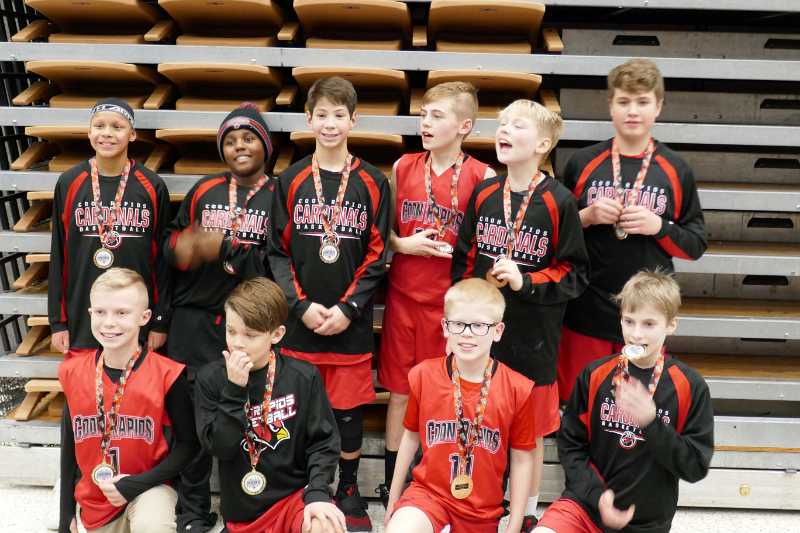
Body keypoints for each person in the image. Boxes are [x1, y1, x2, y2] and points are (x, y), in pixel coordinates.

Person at [452, 99, 589, 530]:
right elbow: (464, 258)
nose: (504, 130)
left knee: (530, 434)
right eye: (502, 123)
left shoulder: (559, 201)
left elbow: (574, 273)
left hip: (534, 338)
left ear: (544, 144)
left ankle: (525, 511)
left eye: (517, 125)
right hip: (483, 336)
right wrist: (464, 308)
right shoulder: (484, 193)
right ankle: (482, 501)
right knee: (481, 419)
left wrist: (525, 282)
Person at [269, 76, 390, 532]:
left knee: (347, 411)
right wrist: (299, 306)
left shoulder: (373, 181)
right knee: (297, 409)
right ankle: (303, 486)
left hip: (348, 323)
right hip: (301, 322)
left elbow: (379, 254)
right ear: (308, 119)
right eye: (322, 114)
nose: (330, 123)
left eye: (340, 115)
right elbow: (277, 252)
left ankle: (348, 489)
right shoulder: (290, 179)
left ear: (354, 120)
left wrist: (349, 308)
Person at [557, 58, 707, 402]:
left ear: (659, 106)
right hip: (586, 308)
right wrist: (586, 216)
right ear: (610, 105)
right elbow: (554, 234)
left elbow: (696, 245)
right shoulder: (582, 163)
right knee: (583, 402)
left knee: (635, 407)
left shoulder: (676, 169)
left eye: (642, 102)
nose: (633, 111)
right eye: (624, 101)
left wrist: (659, 226)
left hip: (647, 316)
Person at [377, 81, 495, 502]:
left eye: (437, 116)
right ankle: (393, 482)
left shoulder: (483, 176)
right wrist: (403, 244)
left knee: (447, 394)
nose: (425, 122)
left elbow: (485, 245)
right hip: (403, 299)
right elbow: (383, 234)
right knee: (399, 392)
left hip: (451, 308)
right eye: (423, 115)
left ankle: (437, 478)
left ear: (464, 126)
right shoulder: (403, 166)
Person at [162, 102, 276, 531]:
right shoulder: (204, 189)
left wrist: (225, 248)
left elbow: (276, 263)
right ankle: (192, 512)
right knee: (192, 422)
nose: (239, 146)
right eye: (230, 141)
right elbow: (170, 245)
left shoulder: (279, 194)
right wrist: (182, 248)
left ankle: (245, 507)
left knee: (245, 415)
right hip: (193, 323)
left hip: (246, 327)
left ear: (266, 146)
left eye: (248, 138)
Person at [535, 270, 714, 533]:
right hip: (584, 508)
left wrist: (651, 423)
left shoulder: (690, 386)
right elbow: (571, 445)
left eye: (649, 324)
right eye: (629, 321)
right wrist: (597, 496)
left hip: (646, 524)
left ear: (671, 325)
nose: (636, 334)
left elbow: (695, 467)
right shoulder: (594, 374)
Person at [384, 278, 537, 533]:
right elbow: (410, 438)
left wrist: (514, 524)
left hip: (481, 511)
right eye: (458, 324)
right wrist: (393, 500)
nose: (467, 333)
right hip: (428, 496)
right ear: (445, 327)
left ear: (497, 331)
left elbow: (522, 460)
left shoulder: (518, 389)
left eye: (479, 325)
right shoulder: (423, 375)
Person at [194, 277, 345, 533]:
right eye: (231, 331)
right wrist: (234, 389)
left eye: (250, 335)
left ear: (276, 334)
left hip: (292, 500)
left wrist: (318, 492)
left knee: (325, 524)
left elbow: (323, 442)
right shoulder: (210, 379)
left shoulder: (303, 376)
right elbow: (221, 448)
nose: (237, 342)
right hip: (243, 512)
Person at [58, 268, 197, 533]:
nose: (109, 322)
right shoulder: (72, 372)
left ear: (144, 317)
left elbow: (189, 445)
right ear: (90, 313)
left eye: (122, 313)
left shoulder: (167, 374)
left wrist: (137, 484)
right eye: (101, 312)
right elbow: (69, 445)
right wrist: (65, 514)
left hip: (149, 490)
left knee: (152, 525)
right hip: (96, 502)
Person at [49, 98, 170, 354]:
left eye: (117, 127)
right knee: (87, 379)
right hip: (83, 315)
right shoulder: (69, 182)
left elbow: (161, 260)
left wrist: (160, 321)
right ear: (89, 132)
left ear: (132, 134)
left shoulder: (152, 186)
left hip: (136, 319)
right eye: (99, 126)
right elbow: (59, 254)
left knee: (133, 378)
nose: (107, 133)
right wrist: (58, 322)